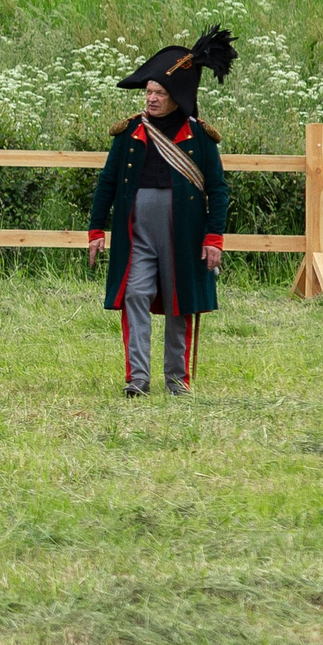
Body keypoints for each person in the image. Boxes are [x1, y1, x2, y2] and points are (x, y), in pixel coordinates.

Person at [89, 29, 235, 397]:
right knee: (135, 294)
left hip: (182, 235)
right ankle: (137, 378)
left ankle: (176, 380)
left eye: (160, 94)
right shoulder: (129, 134)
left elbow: (217, 190)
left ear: (177, 98)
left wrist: (214, 238)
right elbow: (107, 184)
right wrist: (95, 230)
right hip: (136, 233)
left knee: (177, 302)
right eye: (149, 92)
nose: (151, 99)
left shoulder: (200, 138)